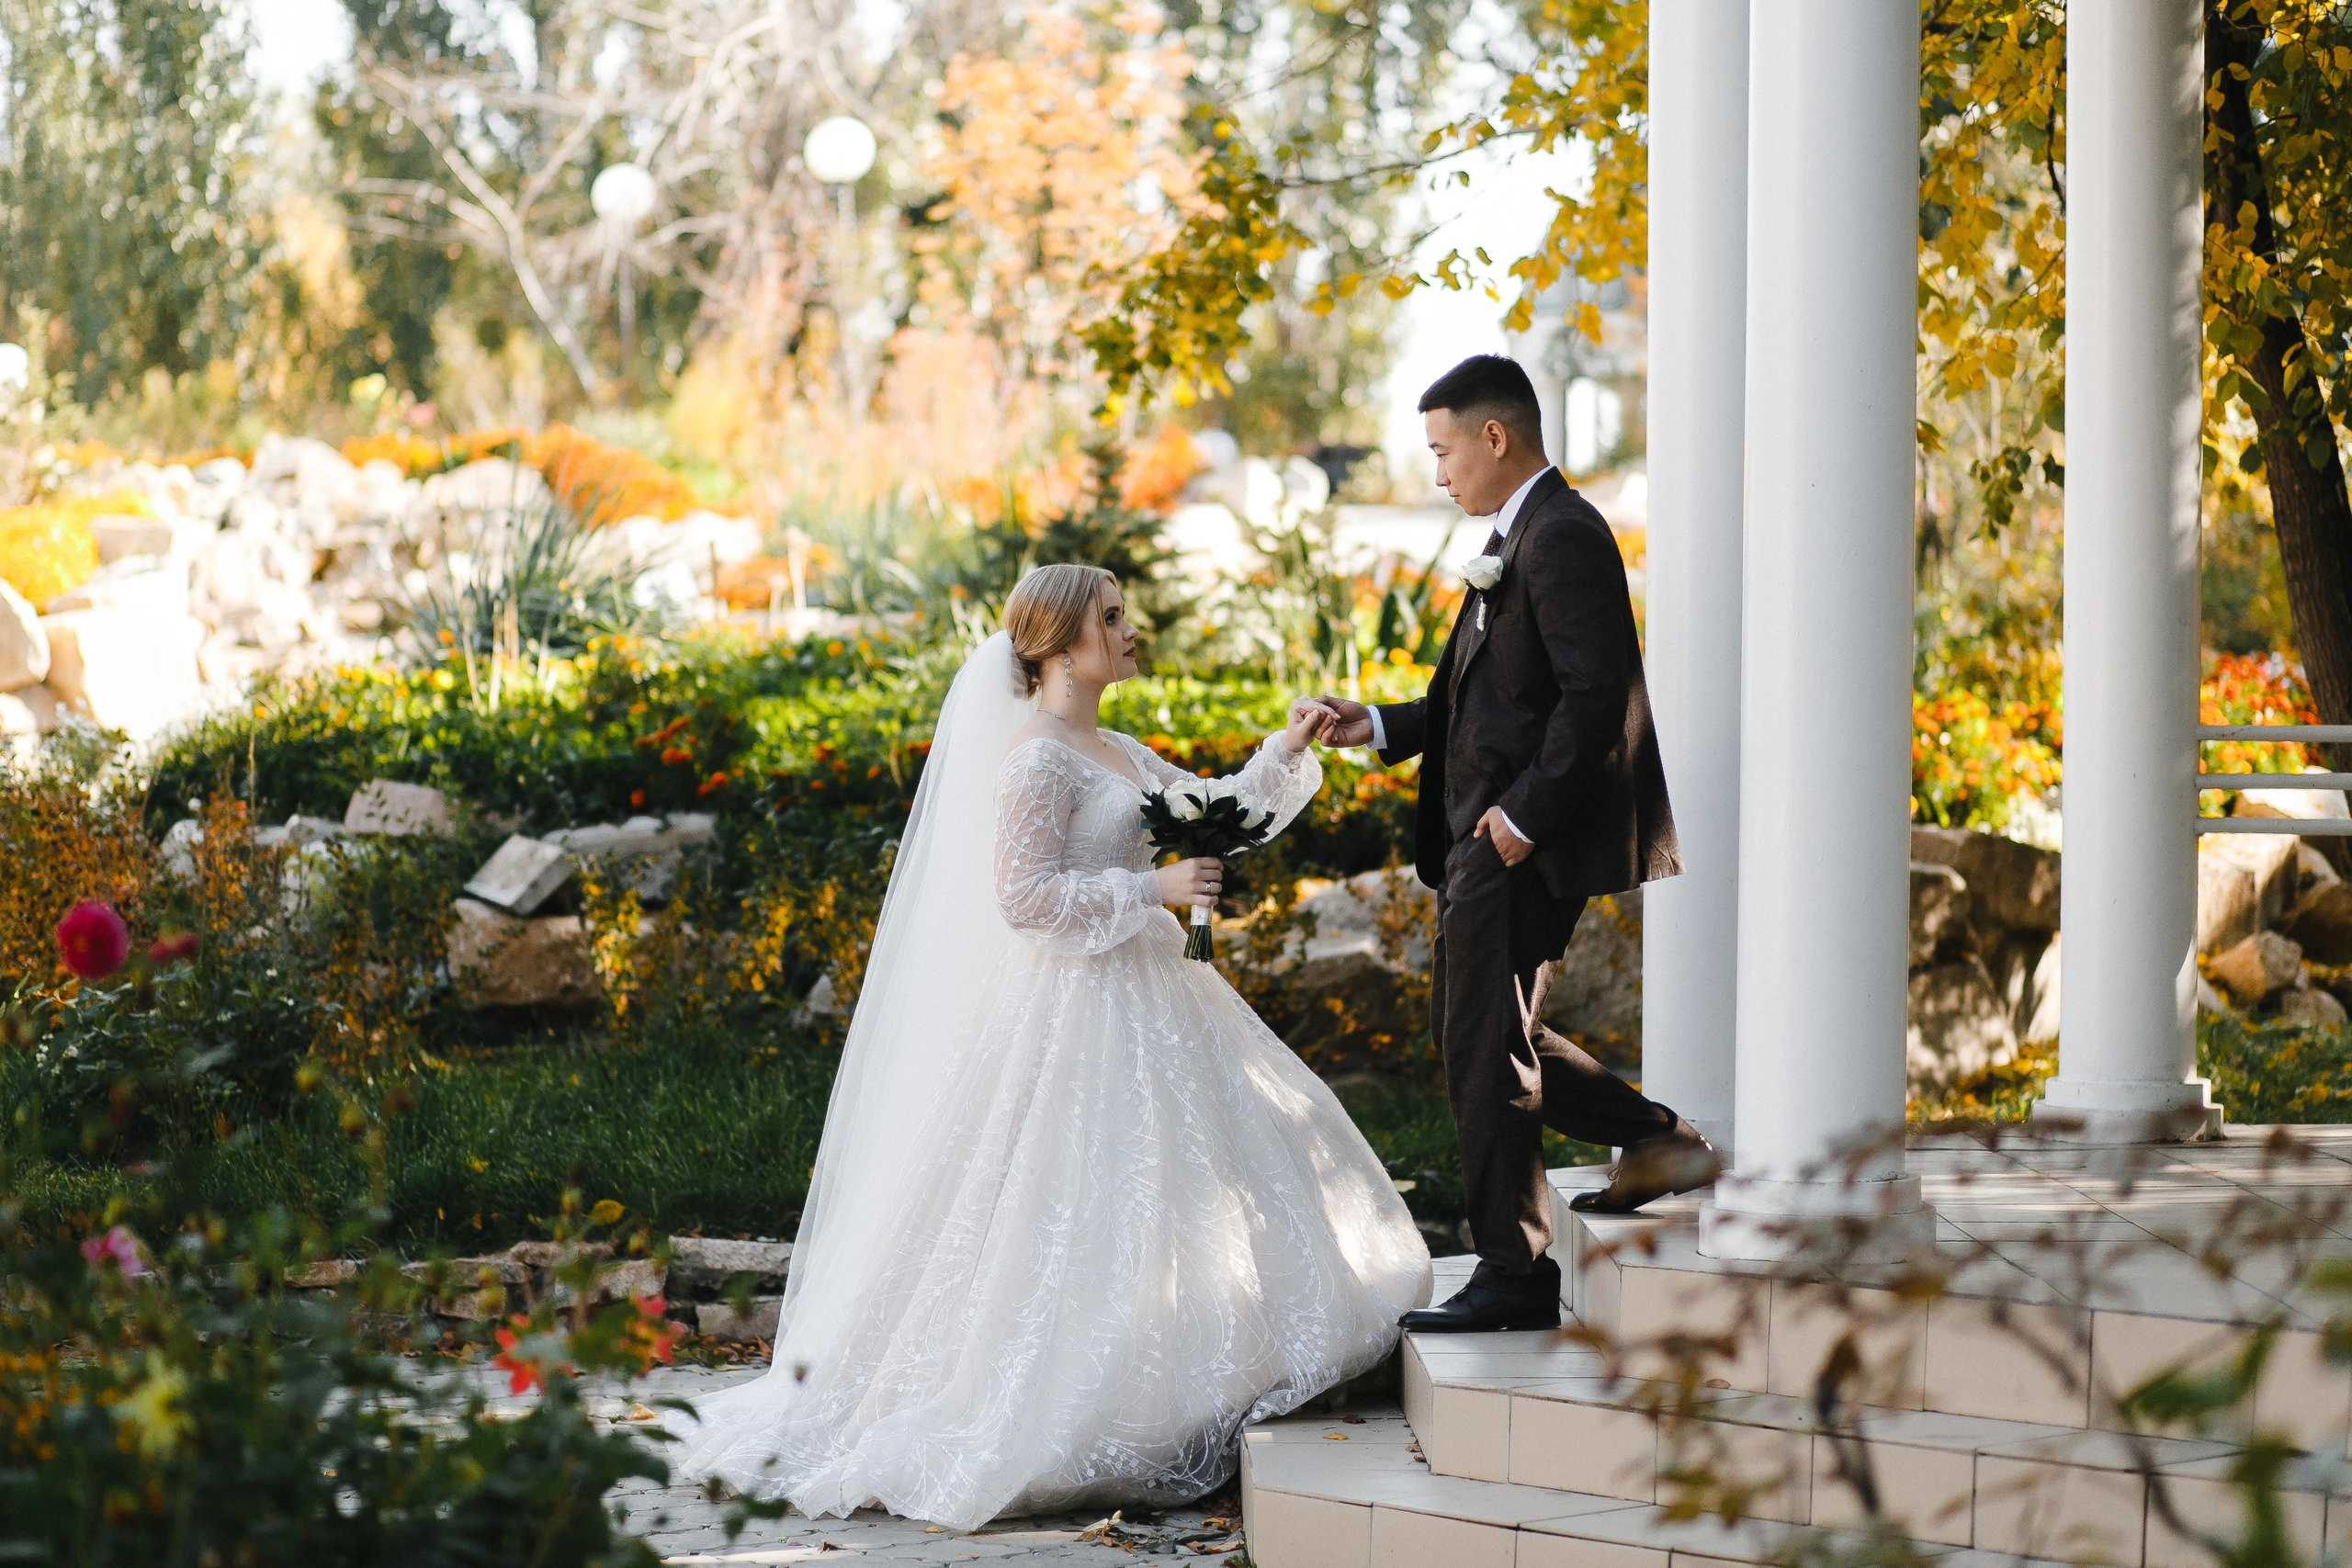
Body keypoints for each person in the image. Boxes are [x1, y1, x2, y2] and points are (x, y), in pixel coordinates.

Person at [668, 564, 1430, 1529]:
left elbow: (1217, 812)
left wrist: (1285, 748)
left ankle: (1202, 1371)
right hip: (1071, 1007)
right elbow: (1023, 901)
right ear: (1062, 644)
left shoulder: (1112, 747)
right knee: (1071, 1201)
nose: (1128, 630)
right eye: (1110, 619)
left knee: (1181, 1187)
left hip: (1158, 993)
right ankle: (1083, 1402)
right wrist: (1150, 893)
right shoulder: (1035, 761)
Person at [1318, 354, 1719, 1337]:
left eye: (1444, 450)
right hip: (1483, 840)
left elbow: (1597, 696)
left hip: (1516, 845)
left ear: (1495, 438)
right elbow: (1478, 703)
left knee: (1480, 1043)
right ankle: (1660, 1143)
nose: (1439, 473)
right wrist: (1368, 722)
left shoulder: (1562, 535)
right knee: (1489, 1035)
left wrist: (1520, 821)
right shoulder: (1518, 534)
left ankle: (1513, 1270)